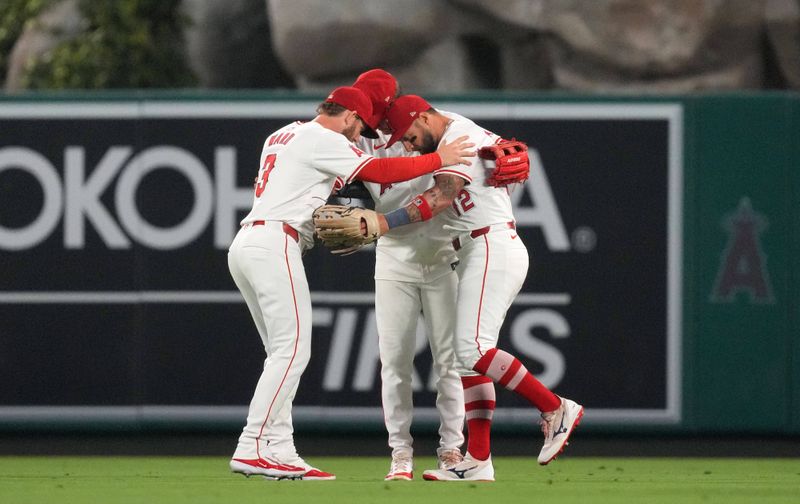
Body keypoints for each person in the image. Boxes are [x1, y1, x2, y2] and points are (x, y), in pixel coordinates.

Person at [228, 86, 475, 480]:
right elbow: (378, 171)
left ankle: (281, 448)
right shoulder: (322, 137)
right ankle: (252, 444)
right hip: (275, 243)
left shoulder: (282, 134)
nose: (358, 137)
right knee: (292, 351)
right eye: (358, 128)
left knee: (280, 352)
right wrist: (438, 159)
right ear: (349, 116)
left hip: (247, 244)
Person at [376, 94, 584, 481]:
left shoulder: (461, 135)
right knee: (464, 357)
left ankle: (555, 407)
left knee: (472, 347)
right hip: (475, 248)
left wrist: (382, 224)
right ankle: (478, 459)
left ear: (423, 117)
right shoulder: (448, 127)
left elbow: (442, 197)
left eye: (407, 135)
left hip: (490, 245)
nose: (407, 145)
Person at [350, 69, 465, 480]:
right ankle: (400, 452)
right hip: (393, 257)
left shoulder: (440, 128)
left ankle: (451, 449)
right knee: (394, 360)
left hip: (441, 255)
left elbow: (449, 187)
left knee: (449, 360)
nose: (375, 119)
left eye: (379, 108)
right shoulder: (359, 139)